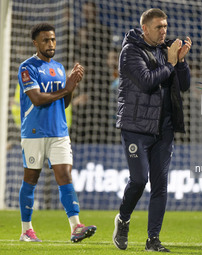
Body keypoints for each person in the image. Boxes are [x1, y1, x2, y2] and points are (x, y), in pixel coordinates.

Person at [112, 8, 191, 252]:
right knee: (139, 179)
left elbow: (185, 85)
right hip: (136, 127)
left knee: (160, 185)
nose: (164, 31)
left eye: (165, 26)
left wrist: (181, 61)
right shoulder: (130, 51)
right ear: (145, 28)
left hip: (164, 128)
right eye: (159, 27)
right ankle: (123, 220)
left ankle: (152, 240)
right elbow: (147, 81)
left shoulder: (166, 50)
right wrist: (170, 61)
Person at [18, 23, 96, 243]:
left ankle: (76, 227)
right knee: (31, 179)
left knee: (65, 176)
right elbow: (37, 99)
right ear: (36, 43)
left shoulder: (60, 68)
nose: (50, 43)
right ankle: (26, 230)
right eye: (45, 40)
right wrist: (67, 88)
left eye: (52, 39)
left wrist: (72, 86)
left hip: (59, 132)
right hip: (34, 132)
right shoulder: (27, 67)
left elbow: (64, 103)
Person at [71, 1, 113, 144]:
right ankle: (80, 144)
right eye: (85, 11)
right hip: (85, 80)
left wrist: (87, 38)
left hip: (99, 81)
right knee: (82, 114)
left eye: (89, 11)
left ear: (95, 12)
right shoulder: (80, 31)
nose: (87, 14)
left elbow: (103, 53)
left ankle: (100, 146)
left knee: (99, 117)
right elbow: (78, 56)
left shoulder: (104, 30)